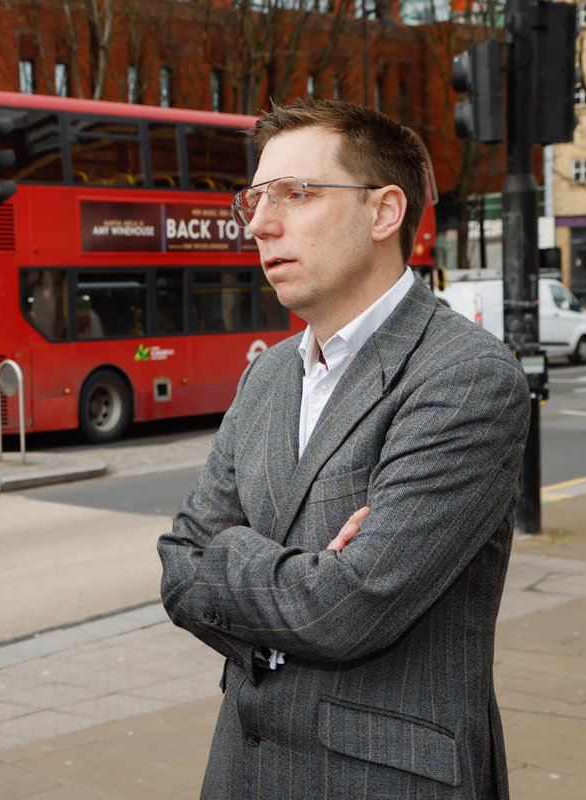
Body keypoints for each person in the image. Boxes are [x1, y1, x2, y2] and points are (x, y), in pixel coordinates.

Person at [157, 98, 530, 800]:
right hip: (241, 772)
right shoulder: (267, 372)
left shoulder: (465, 375)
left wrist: (232, 552)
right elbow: (178, 565)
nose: (262, 223)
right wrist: (309, 572)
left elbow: (349, 609)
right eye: (256, 199)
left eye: (297, 194)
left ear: (384, 212)